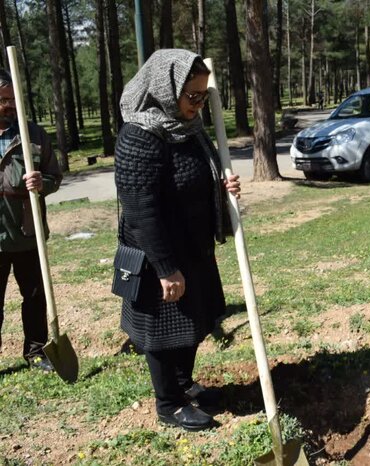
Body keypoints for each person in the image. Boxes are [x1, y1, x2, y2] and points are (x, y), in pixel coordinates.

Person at [115, 49, 240, 431]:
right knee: (162, 332)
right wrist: (166, 269)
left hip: (193, 246)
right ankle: (169, 403)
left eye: (204, 96)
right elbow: (140, 211)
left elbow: (197, 175)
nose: (198, 105)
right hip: (158, 253)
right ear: (166, 89)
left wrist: (221, 187)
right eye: (192, 96)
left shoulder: (189, 128)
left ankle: (185, 385)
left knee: (194, 321)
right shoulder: (139, 135)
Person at [0, 69, 62, 372]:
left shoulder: (33, 135)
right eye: (3, 100)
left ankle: (37, 351)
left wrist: (42, 182)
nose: (10, 105)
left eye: (13, 99)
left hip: (27, 232)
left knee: (35, 296)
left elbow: (55, 176)